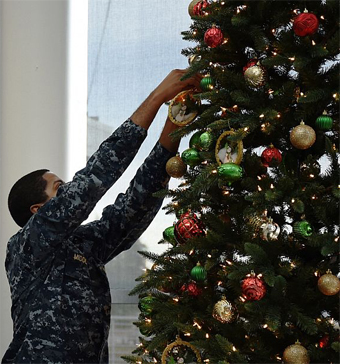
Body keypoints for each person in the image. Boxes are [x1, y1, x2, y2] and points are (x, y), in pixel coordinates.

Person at [3, 69, 201, 364]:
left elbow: (135, 205)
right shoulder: (26, 245)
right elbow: (96, 175)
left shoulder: (84, 244)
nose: (69, 188)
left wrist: (175, 121)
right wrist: (159, 95)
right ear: (38, 210)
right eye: (60, 187)